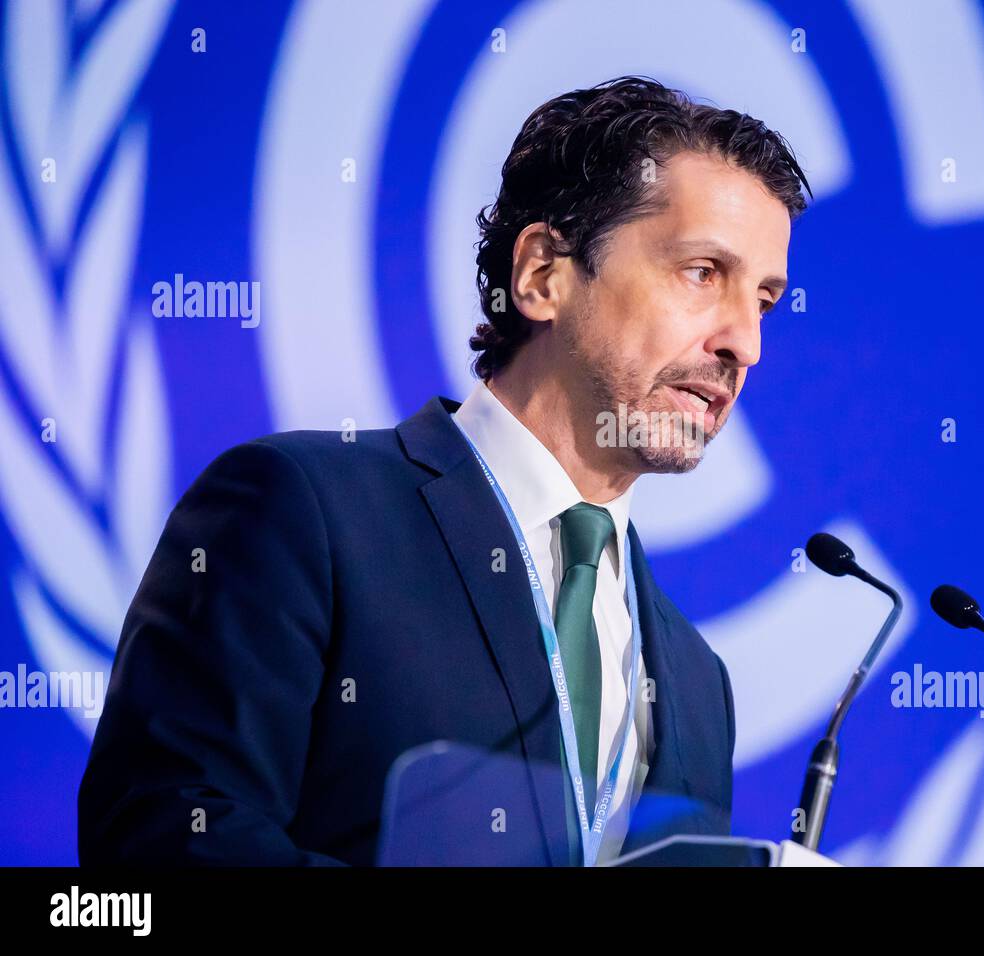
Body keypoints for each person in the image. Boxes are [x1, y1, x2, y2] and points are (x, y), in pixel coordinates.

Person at [78, 75, 811, 866]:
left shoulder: (699, 684)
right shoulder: (301, 512)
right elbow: (160, 839)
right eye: (703, 272)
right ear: (541, 275)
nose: (746, 342)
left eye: (765, 300)